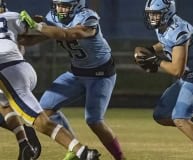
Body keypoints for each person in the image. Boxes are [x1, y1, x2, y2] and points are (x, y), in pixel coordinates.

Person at [20, 0, 125, 159]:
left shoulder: (88, 17)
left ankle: (120, 157)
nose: (60, 9)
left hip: (100, 74)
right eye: (58, 4)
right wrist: (19, 30)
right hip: (76, 73)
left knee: (94, 121)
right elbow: (30, 41)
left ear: (77, 5)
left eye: (65, 5)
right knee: (44, 111)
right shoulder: (53, 17)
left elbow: (69, 34)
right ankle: (76, 149)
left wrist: (39, 27)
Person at [0, 1, 100, 160]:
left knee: (41, 122)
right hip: (22, 67)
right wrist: (39, 23)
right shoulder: (11, 16)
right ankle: (24, 144)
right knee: (3, 104)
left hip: (7, 72)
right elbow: (28, 38)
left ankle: (82, 152)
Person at [134, 0, 193, 159]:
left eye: (156, 14)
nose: (152, 18)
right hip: (188, 77)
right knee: (161, 115)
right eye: (150, 15)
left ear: (167, 13)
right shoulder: (165, 26)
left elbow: (177, 70)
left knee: (180, 118)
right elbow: (165, 42)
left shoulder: (179, 30)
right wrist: (150, 50)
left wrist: (156, 60)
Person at [0, 1, 41, 159]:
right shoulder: (11, 18)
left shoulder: (8, 19)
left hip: (9, 70)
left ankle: (26, 138)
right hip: (14, 68)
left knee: (5, 108)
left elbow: (21, 44)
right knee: (4, 109)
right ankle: (25, 141)